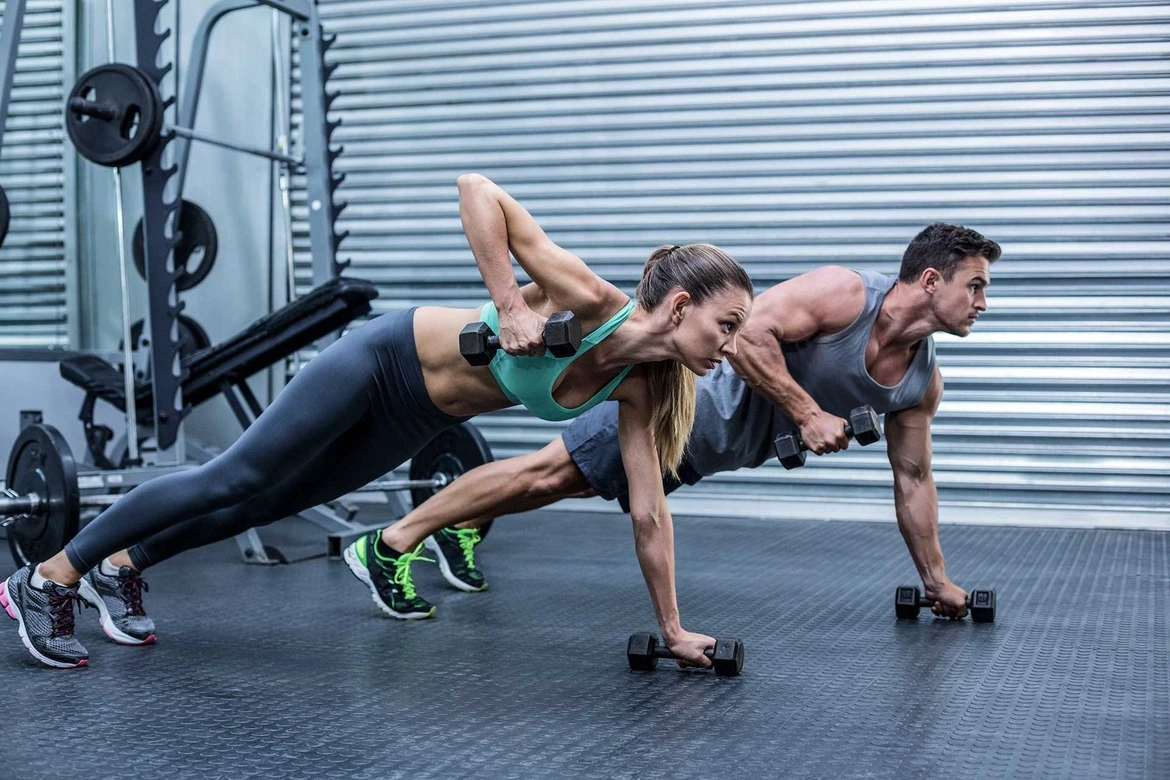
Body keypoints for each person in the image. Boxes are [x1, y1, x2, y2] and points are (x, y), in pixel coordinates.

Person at [0, 173, 754, 669]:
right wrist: (514, 304)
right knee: (237, 475)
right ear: (681, 307)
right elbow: (477, 190)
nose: (731, 344)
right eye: (727, 324)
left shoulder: (642, 391)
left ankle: (122, 566)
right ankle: (46, 578)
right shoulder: (589, 298)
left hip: (417, 414)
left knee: (271, 501)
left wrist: (676, 627)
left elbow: (650, 514)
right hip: (381, 359)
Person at [363, 223, 999, 620]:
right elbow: (747, 334)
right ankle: (393, 542)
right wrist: (806, 413)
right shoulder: (845, 294)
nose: (982, 302)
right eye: (975, 285)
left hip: (707, 453)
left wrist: (936, 580)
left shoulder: (920, 381)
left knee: (567, 480)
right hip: (681, 408)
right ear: (931, 278)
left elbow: (914, 478)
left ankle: (458, 528)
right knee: (548, 474)